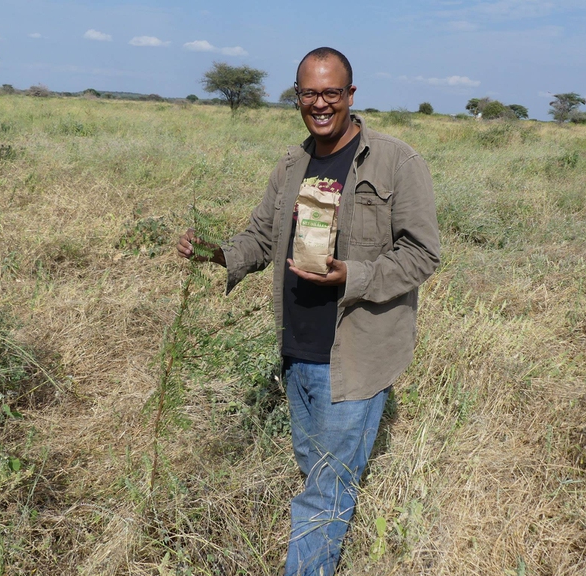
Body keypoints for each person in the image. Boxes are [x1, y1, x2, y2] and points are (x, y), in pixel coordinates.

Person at [177, 46, 440, 576]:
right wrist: (217, 253)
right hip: (297, 349)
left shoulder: (396, 161)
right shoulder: (291, 165)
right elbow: (261, 236)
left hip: (354, 356)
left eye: (331, 93)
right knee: (318, 474)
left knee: (324, 490)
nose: (320, 104)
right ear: (296, 96)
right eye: (309, 93)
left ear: (351, 95)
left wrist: (352, 276)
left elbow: (422, 254)